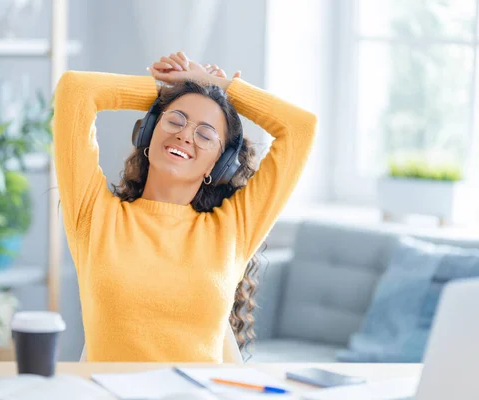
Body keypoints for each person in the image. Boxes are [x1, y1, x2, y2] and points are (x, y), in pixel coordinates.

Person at [53, 51, 316, 362]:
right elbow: (75, 90)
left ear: (216, 167)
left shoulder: (233, 228)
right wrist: (171, 91)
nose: (184, 134)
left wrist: (217, 84)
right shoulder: (95, 214)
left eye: (205, 135)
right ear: (149, 133)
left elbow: (301, 127)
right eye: (175, 120)